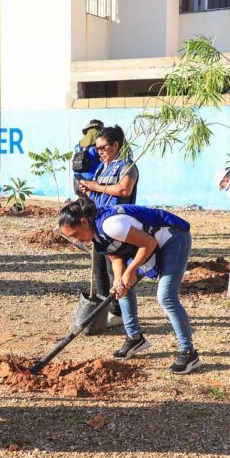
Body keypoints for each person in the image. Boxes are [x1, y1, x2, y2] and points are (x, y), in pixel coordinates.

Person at [58, 198, 202, 373]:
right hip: (149, 245)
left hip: (172, 239)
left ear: (83, 222)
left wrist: (131, 270)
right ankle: (135, 338)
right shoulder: (95, 236)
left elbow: (149, 243)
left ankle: (189, 353)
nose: (76, 240)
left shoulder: (111, 225)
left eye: (74, 234)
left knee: (166, 297)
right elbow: (116, 257)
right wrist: (119, 280)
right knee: (122, 291)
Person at [78, 125, 139, 330]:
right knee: (99, 272)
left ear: (116, 145)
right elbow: (99, 194)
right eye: (97, 149)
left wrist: (95, 186)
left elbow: (124, 189)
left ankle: (119, 312)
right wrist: (87, 191)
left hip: (117, 226)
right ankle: (103, 309)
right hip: (98, 225)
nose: (100, 152)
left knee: (116, 271)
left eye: (103, 148)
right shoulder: (103, 167)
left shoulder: (127, 166)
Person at [71, 119, 103, 196]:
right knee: (91, 204)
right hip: (90, 180)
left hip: (77, 178)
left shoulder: (77, 146)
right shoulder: (97, 148)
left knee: (82, 202)